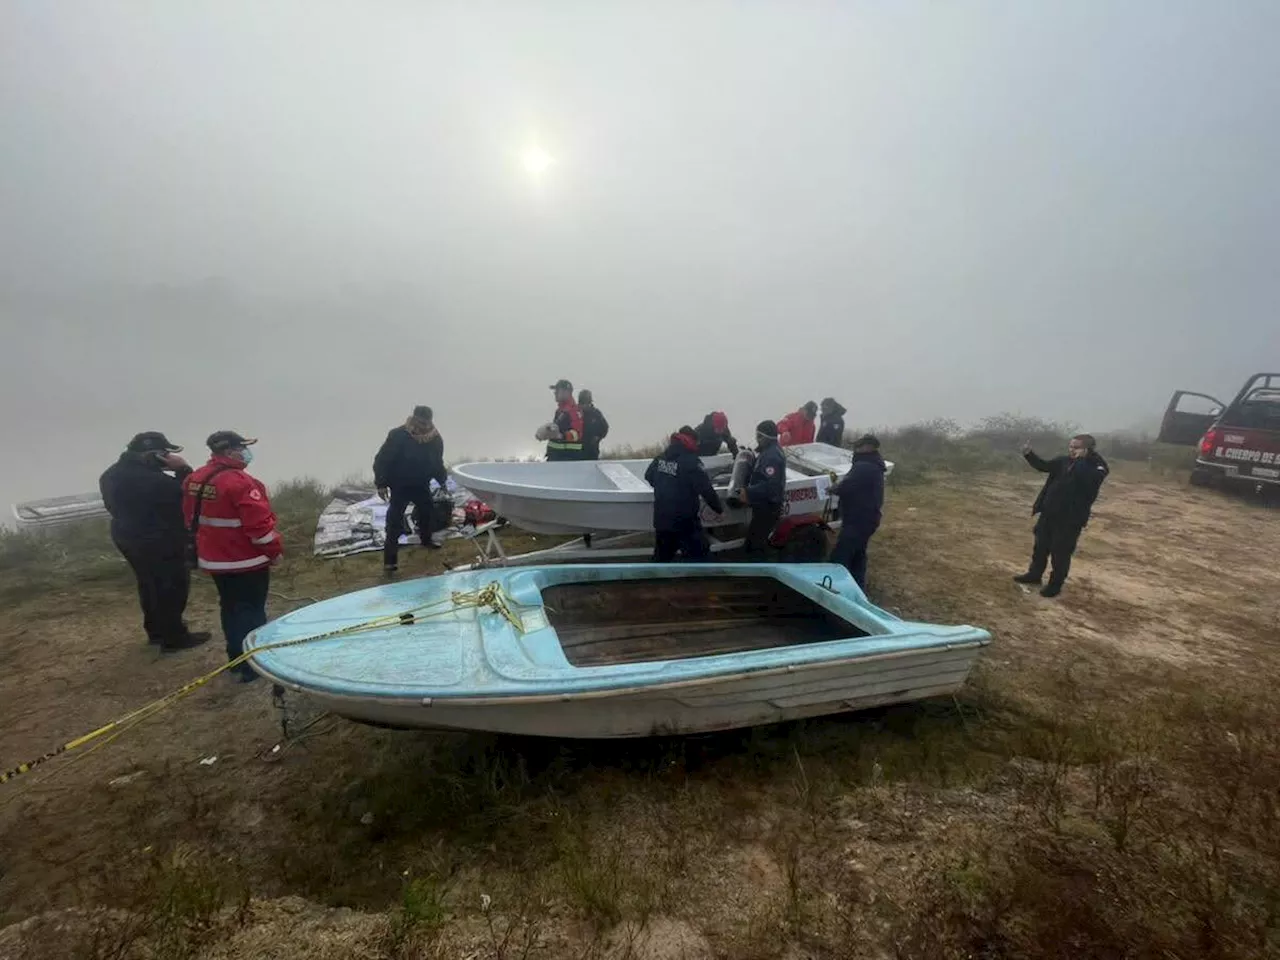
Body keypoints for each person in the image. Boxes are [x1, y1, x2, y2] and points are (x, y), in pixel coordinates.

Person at [183, 431, 282, 682]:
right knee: (251, 612)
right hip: (245, 560)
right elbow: (260, 529)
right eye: (242, 447)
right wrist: (274, 552)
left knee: (230, 608)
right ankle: (254, 666)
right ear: (229, 452)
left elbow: (189, 517)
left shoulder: (196, 479)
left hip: (215, 560)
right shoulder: (242, 484)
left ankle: (236, 659)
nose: (246, 452)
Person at [99, 432, 210, 651]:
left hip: (126, 536)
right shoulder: (154, 480)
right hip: (159, 539)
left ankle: (156, 631)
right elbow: (188, 496)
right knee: (171, 586)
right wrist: (182, 469)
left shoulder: (110, 475)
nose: (169, 457)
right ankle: (175, 638)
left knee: (148, 584)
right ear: (154, 455)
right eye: (165, 454)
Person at [1014, 434, 1110, 598]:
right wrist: (1029, 454)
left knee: (1060, 553)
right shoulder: (1063, 461)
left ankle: (1055, 585)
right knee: (1040, 547)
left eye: (1076, 447)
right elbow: (1044, 466)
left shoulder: (1097, 468)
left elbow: (1088, 480)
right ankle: (1034, 575)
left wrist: (1080, 461)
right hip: (1049, 513)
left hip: (1070, 519)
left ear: (1087, 449)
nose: (1072, 450)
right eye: (1071, 446)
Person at [373, 405, 448, 573]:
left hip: (421, 484)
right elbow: (382, 460)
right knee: (394, 521)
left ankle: (426, 540)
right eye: (420, 422)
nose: (423, 426)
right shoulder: (398, 435)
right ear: (413, 419)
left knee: (427, 512)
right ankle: (390, 561)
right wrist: (381, 483)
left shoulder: (435, 439)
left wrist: (442, 481)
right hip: (400, 485)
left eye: (426, 423)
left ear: (430, 422)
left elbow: (437, 462)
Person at [644, 426, 724, 561]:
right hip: (685, 521)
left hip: (662, 519)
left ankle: (652, 578)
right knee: (702, 558)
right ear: (692, 441)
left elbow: (648, 476)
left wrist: (665, 485)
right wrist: (719, 509)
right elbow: (706, 489)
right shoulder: (691, 461)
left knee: (662, 559)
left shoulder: (661, 458)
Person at [829, 435, 886, 590]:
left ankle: (834, 590)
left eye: (858, 446)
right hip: (867, 518)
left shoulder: (864, 466)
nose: (855, 450)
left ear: (868, 447)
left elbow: (846, 486)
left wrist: (832, 488)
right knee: (858, 556)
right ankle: (858, 588)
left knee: (839, 557)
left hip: (858, 520)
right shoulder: (872, 464)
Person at [735, 420, 787, 556]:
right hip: (765, 506)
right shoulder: (770, 451)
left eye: (759, 436)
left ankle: (759, 569)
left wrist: (748, 491)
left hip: (768, 507)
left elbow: (770, 485)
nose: (757, 439)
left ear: (765, 437)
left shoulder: (771, 457)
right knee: (755, 539)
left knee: (755, 544)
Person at [541, 379, 584, 461]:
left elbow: (577, 433)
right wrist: (548, 431)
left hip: (567, 458)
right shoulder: (560, 410)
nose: (555, 393)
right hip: (556, 457)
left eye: (557, 390)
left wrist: (560, 435)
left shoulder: (573, 410)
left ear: (566, 392)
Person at [578, 389, 610, 461]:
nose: (584, 405)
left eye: (586, 403)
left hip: (592, 452)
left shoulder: (596, 413)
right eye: (582, 403)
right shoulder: (575, 413)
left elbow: (605, 427)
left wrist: (598, 437)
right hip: (577, 453)